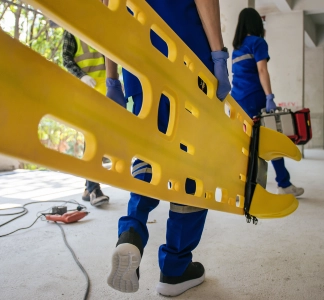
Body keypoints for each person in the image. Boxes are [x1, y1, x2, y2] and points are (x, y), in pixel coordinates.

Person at [102, 0, 230, 296]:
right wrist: (219, 57)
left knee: (150, 154)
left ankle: (131, 232)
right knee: (192, 166)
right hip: (187, 54)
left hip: (136, 54)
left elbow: (109, 8)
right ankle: (175, 268)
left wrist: (112, 78)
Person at [230, 8, 304, 197]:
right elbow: (262, 71)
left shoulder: (236, 49)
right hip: (255, 97)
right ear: (257, 24)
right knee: (271, 139)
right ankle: (283, 184)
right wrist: (269, 96)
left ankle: (241, 185)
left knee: (246, 143)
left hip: (237, 99)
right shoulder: (258, 42)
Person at [62, 30, 111, 206]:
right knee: (93, 139)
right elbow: (66, 59)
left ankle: (88, 188)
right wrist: (82, 76)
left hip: (105, 92)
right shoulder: (71, 28)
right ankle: (94, 190)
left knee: (99, 140)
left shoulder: (103, 25)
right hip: (84, 93)